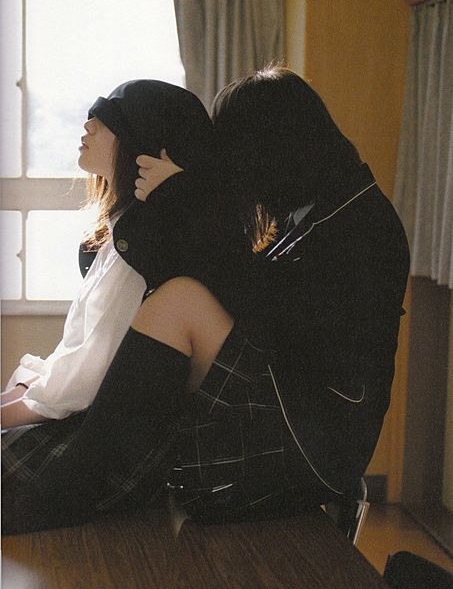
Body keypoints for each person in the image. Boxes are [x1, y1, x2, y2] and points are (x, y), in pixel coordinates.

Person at [2, 67, 409, 535]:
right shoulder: (323, 209)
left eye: (236, 151)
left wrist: (184, 198)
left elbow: (271, 317)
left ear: (275, 145)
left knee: (180, 301)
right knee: (180, 298)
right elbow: (245, 294)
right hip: (301, 412)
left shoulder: (360, 224)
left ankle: (71, 486)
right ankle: (78, 479)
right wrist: (177, 207)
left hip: (314, 436)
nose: (230, 168)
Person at [1, 78, 214, 431]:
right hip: (76, 415)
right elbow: (70, 365)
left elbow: (85, 381)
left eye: (107, 119)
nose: (88, 125)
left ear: (141, 143)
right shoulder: (120, 231)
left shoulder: (144, 247)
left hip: (91, 429)